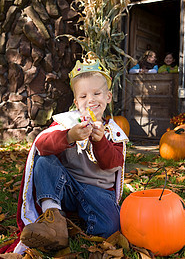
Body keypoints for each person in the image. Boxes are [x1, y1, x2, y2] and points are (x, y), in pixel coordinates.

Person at [9, 59, 128, 255]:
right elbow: (41, 144)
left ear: (108, 97)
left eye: (97, 93)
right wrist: (68, 136)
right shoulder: (67, 122)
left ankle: (77, 228)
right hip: (67, 188)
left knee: (110, 227)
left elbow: (113, 163)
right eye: (83, 96)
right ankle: (53, 218)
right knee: (44, 160)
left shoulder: (113, 132)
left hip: (98, 191)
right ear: (76, 102)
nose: (90, 100)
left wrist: (100, 142)